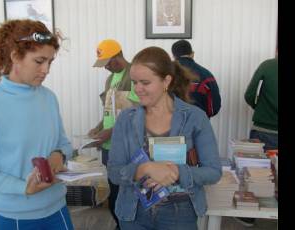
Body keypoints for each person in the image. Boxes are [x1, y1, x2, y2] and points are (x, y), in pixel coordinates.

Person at [0, 19, 74, 230]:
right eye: (39, 61)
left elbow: (64, 143)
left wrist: (59, 155)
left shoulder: (49, 98)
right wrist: (24, 188)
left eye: (50, 62)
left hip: (57, 209)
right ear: (15, 56)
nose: (46, 70)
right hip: (13, 218)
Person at [107, 46, 222, 229]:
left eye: (145, 83)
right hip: (133, 213)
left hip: (179, 215)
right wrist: (143, 169)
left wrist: (177, 172)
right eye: (134, 82)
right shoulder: (126, 119)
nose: (138, 89)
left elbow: (214, 171)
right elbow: (114, 172)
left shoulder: (194, 117)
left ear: (166, 81)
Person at [88, 39, 139, 229]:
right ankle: (120, 224)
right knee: (114, 191)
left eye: (108, 63)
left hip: (127, 146)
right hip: (110, 146)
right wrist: (99, 128)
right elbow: (110, 111)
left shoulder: (134, 75)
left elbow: (135, 113)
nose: (106, 68)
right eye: (103, 64)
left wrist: (109, 132)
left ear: (119, 55)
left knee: (128, 191)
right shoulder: (110, 79)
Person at [237, 52, 278, 227]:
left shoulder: (268, 66)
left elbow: (249, 94)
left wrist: (260, 109)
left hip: (264, 127)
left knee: (257, 172)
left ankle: (249, 215)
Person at [171, 39, 221, 118]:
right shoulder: (206, 75)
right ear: (192, 54)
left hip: (169, 125)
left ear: (174, 56)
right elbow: (214, 108)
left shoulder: (164, 74)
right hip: (198, 124)